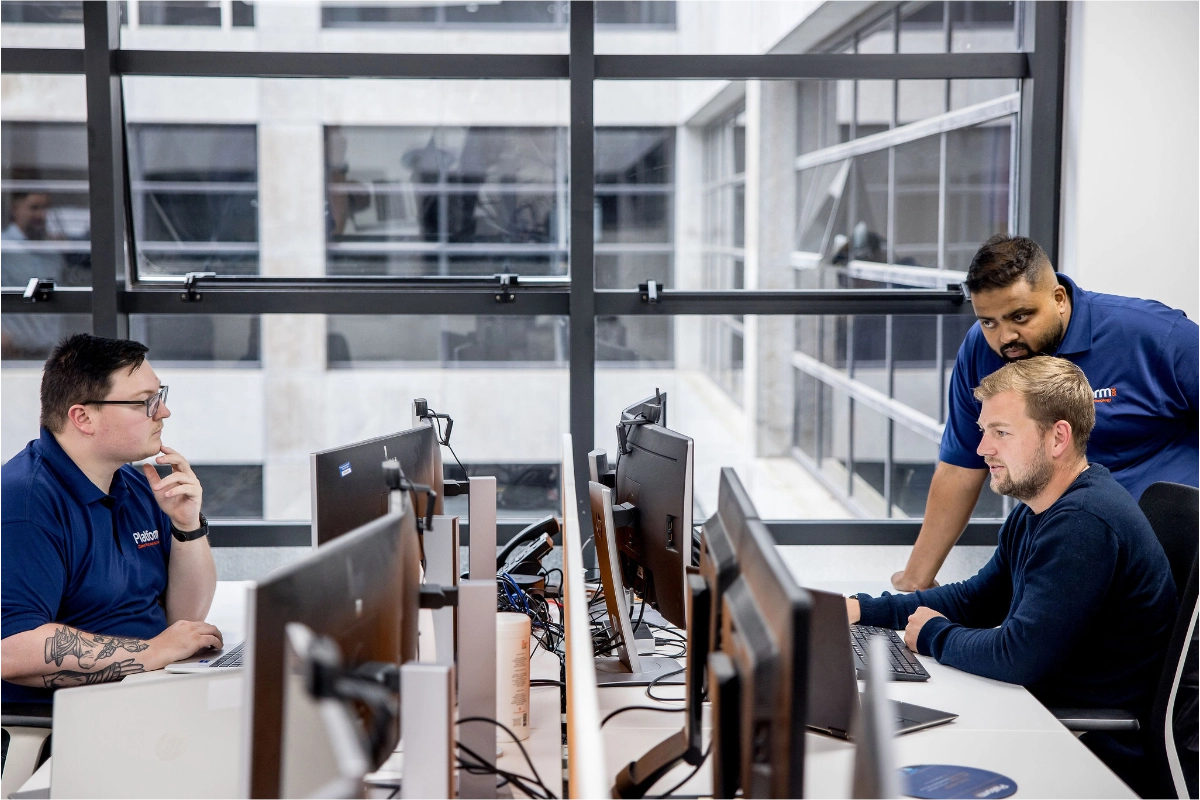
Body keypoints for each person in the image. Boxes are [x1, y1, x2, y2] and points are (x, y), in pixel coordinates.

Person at [848, 357, 1177, 794]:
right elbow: (975, 601)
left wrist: (932, 636)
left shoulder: (1083, 522)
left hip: (1082, 743)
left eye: (1000, 432)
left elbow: (1019, 654)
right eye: (984, 431)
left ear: (1058, 437)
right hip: (1039, 709)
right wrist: (861, 610)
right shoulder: (1039, 509)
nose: (983, 448)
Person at [893, 234, 1200, 593]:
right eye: (988, 321)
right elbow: (961, 467)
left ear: (1058, 299)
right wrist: (916, 577)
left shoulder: (1157, 336)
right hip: (1067, 547)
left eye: (1020, 316)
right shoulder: (981, 350)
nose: (1005, 337)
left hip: (1167, 547)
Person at [0, 334, 221, 705]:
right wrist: (150, 653)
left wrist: (187, 526)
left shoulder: (134, 483)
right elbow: (10, 648)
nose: (162, 413)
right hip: (74, 720)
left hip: (145, 692)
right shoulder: (25, 503)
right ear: (82, 417)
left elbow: (184, 619)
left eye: (159, 397)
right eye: (143, 403)